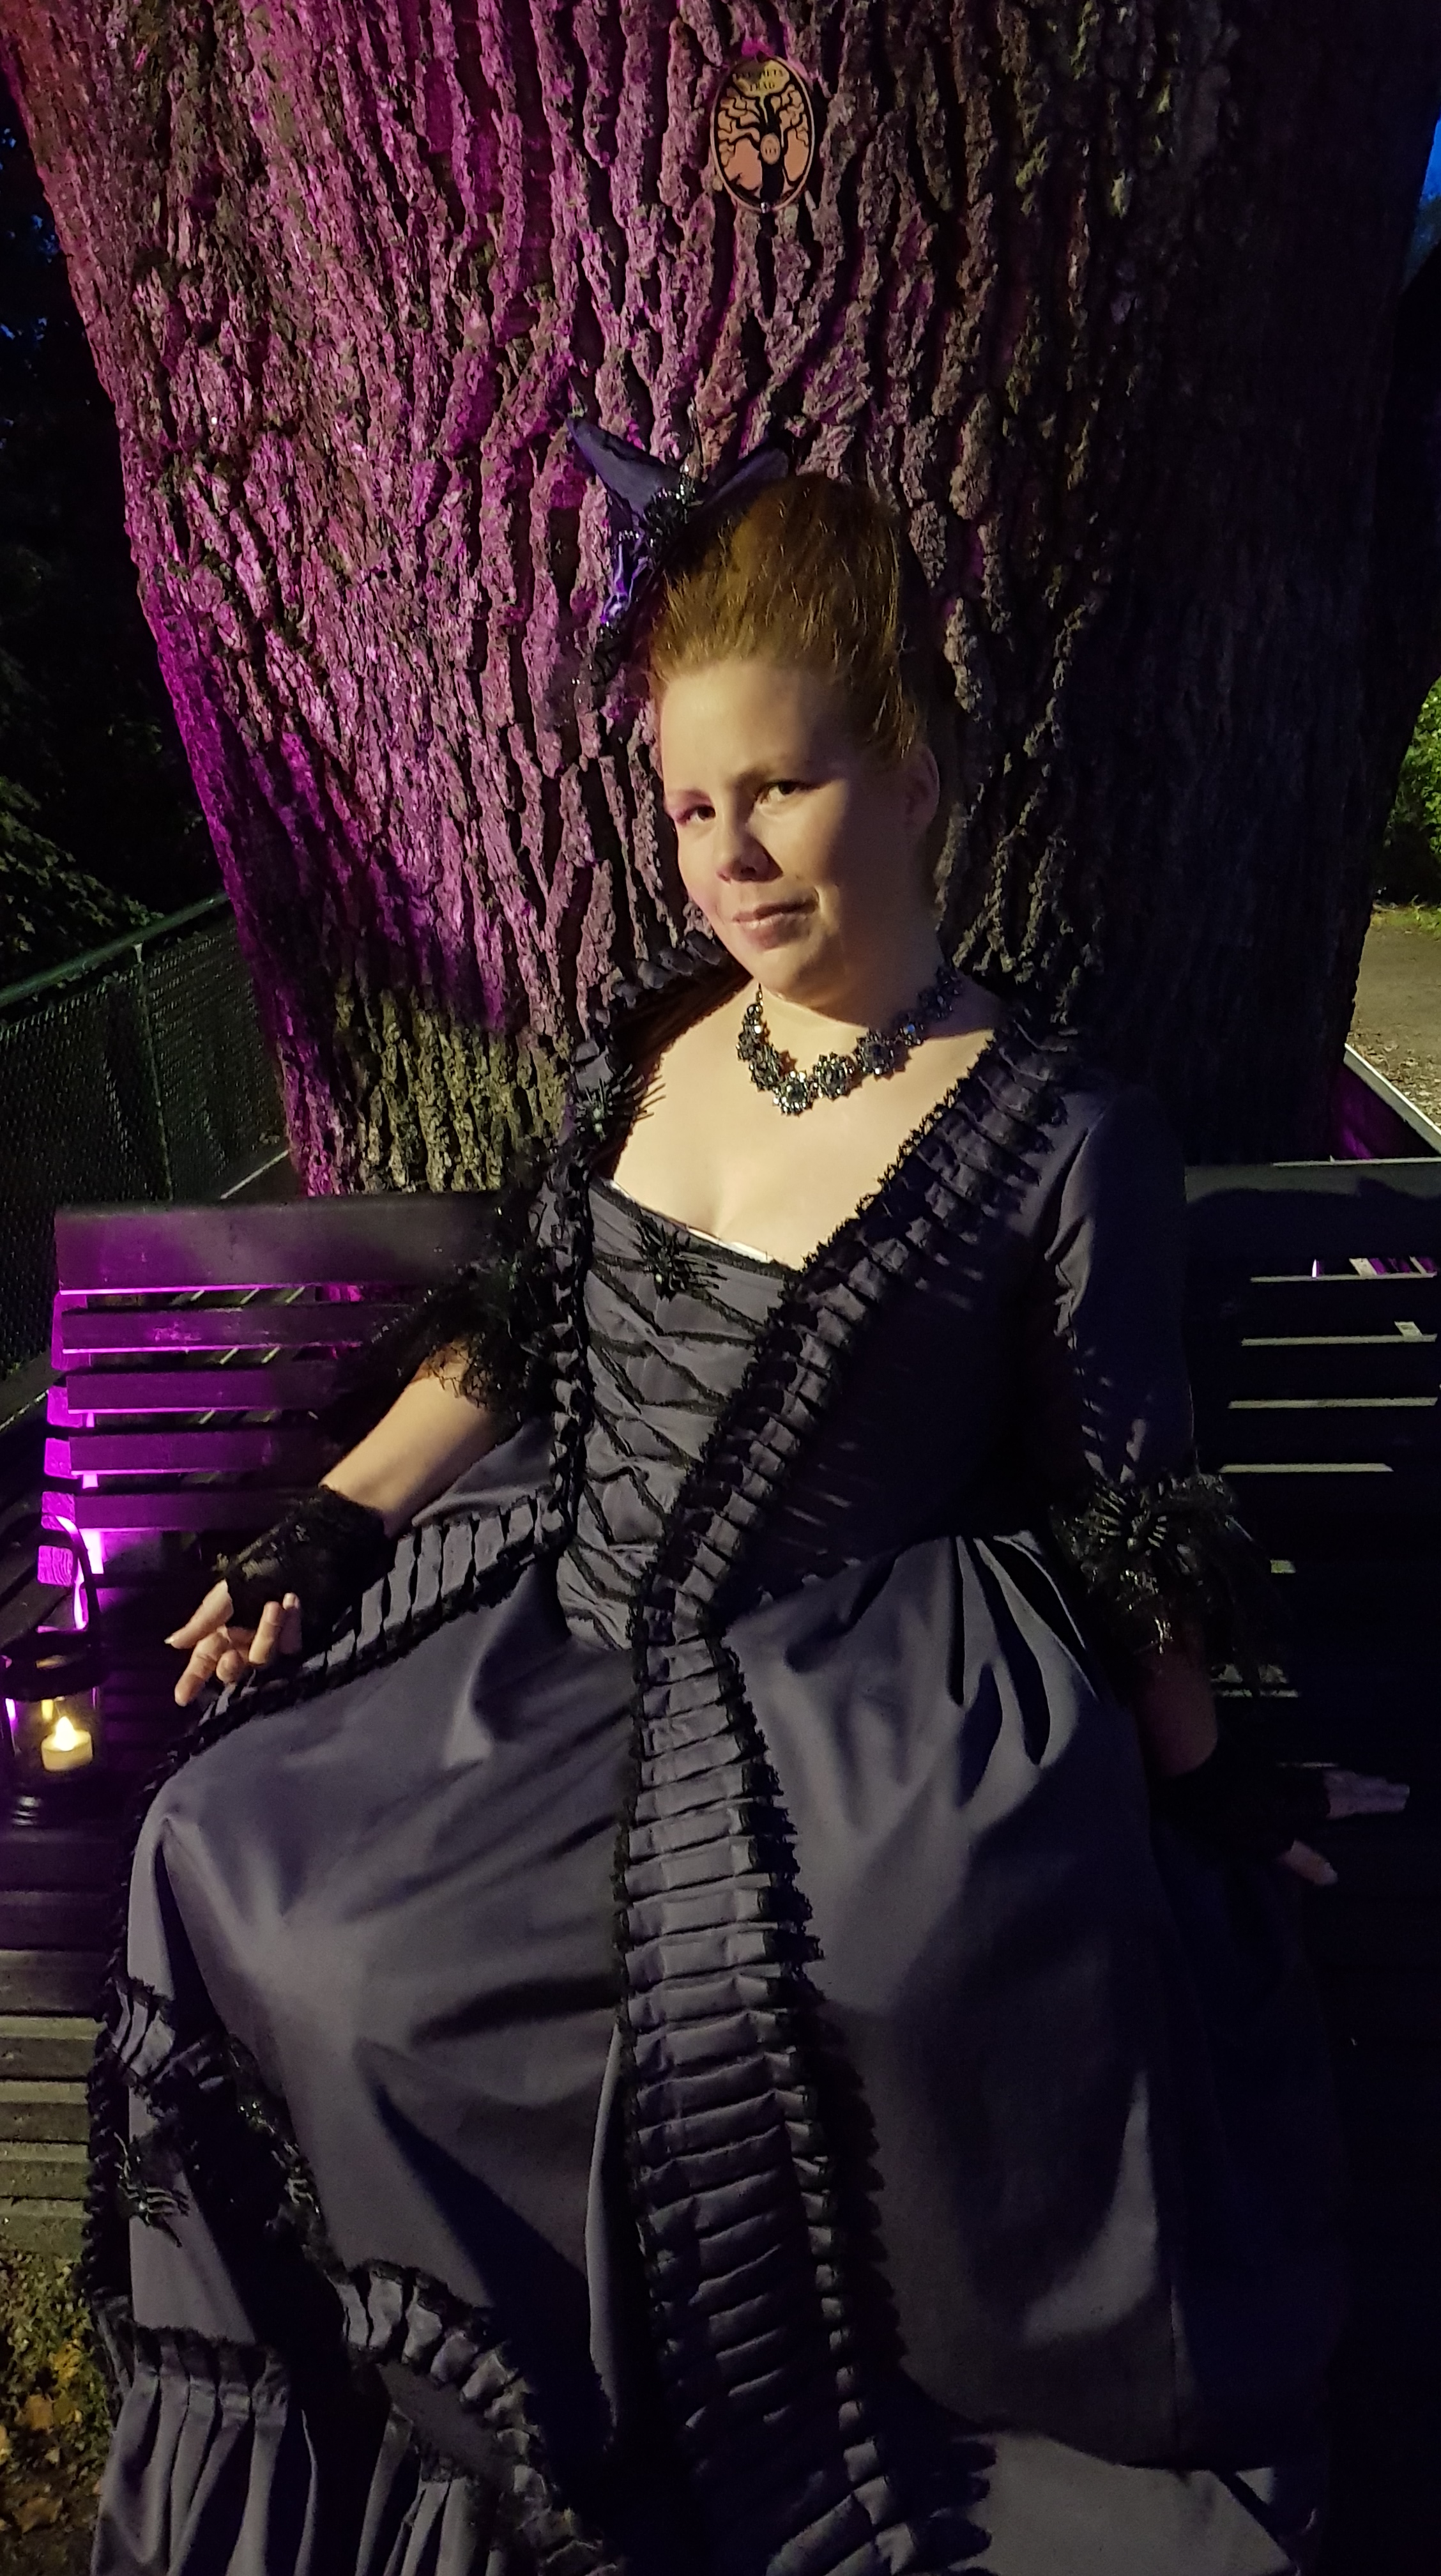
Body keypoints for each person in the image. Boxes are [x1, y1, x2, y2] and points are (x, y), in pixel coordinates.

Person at [88, 460, 1383, 2576]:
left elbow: (1131, 1507)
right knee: (232, 1848)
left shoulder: (1060, 1132)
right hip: (550, 1629)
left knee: (816, 1982)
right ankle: (410, 2457)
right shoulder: (656, 1048)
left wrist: (1216, 1794)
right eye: (695, 808)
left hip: (838, 1702)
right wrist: (324, 1524)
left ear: (915, 771)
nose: (732, 856)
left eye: (781, 787)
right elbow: (517, 1334)